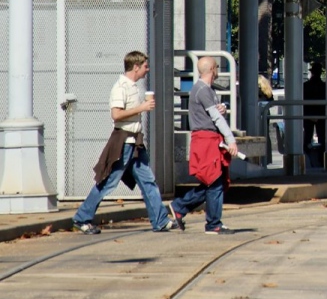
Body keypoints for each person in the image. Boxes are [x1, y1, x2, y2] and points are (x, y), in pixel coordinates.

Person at [73, 51, 176, 234]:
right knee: (109, 181)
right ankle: (82, 218)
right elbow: (116, 114)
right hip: (124, 142)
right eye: (145, 66)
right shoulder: (120, 87)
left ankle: (160, 220)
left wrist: (140, 107)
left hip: (135, 143)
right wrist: (142, 107)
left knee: (148, 181)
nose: (147, 69)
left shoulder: (133, 86)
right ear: (135, 67)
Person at [169, 56, 239, 235]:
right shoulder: (203, 90)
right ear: (213, 69)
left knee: (217, 181)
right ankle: (213, 223)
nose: (217, 71)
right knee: (214, 181)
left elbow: (212, 112)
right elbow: (215, 117)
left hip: (209, 139)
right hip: (206, 140)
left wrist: (220, 108)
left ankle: (180, 207)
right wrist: (231, 139)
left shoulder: (206, 90)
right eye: (216, 68)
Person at [302, 62, 326, 166]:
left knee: (307, 137)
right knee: (322, 138)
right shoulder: (324, 86)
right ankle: (321, 160)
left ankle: (307, 159)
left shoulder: (305, 86)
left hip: (308, 114)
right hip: (321, 115)